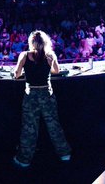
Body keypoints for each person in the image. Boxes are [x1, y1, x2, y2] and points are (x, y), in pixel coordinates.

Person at [13, 30, 71, 168]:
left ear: (31, 42)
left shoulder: (24, 55)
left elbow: (17, 74)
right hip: (47, 94)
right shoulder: (50, 55)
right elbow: (56, 71)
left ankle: (24, 160)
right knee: (54, 125)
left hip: (31, 95)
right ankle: (64, 154)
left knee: (29, 128)